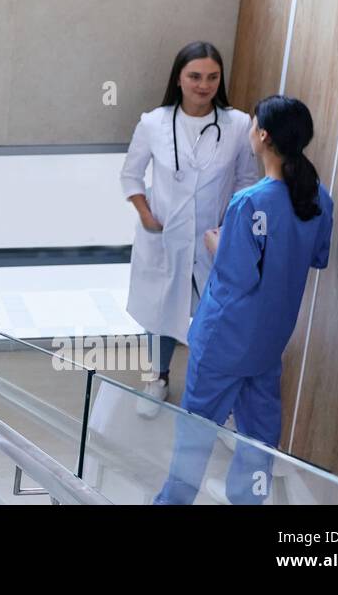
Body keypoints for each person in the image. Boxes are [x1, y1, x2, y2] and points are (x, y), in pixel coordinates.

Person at [154, 94, 333, 504]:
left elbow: (235, 279)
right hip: (268, 344)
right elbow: (317, 256)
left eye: (253, 126)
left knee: (194, 440)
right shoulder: (320, 198)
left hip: (223, 341)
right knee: (259, 440)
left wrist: (218, 243)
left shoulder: (249, 202)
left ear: (263, 135)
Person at [120, 42, 258, 414]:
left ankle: (217, 396)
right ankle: (157, 379)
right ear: (179, 78)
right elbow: (131, 175)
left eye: (212, 77)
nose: (204, 85)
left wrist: (230, 225)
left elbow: (247, 180)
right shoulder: (154, 122)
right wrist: (147, 216)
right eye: (195, 76)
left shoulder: (238, 124)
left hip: (215, 240)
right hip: (164, 239)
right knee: (160, 311)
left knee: (215, 320)